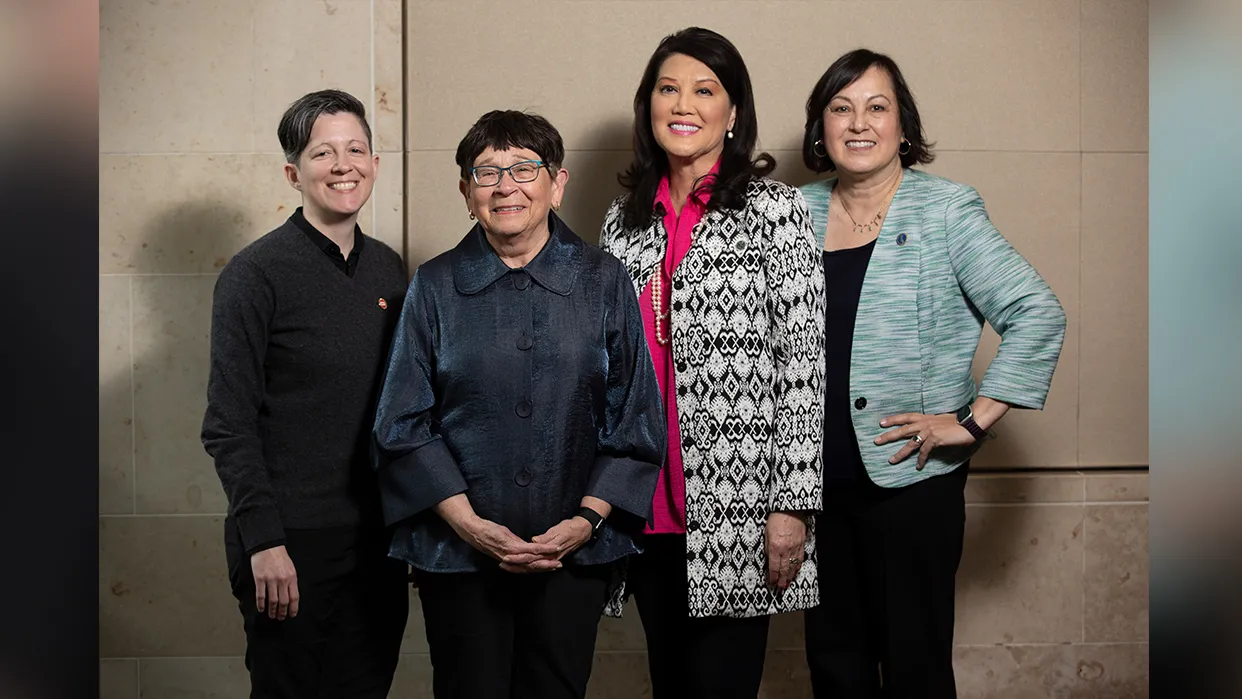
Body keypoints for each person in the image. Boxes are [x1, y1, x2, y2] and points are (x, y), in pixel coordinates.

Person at [796, 49, 1068, 698]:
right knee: (835, 669)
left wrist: (972, 421)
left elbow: (1037, 313)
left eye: (877, 107)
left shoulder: (946, 209)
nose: (858, 122)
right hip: (813, 487)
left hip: (912, 485)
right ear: (821, 129)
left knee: (914, 670)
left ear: (903, 126)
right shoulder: (790, 212)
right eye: (841, 107)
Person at [371, 110, 665, 699]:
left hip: (572, 558)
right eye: (487, 172)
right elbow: (401, 424)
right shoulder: (434, 285)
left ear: (557, 185)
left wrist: (584, 523)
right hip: (457, 557)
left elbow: (633, 417)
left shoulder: (604, 280)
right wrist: (469, 525)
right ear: (466, 192)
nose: (506, 186)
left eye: (525, 169)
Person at [598, 27, 827, 699]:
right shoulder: (622, 221)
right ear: (647, 105)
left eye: (704, 90)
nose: (683, 104)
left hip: (738, 503)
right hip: (640, 501)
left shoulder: (775, 211)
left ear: (733, 113)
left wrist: (792, 506)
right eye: (668, 88)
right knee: (668, 682)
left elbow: (803, 366)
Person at [201, 89, 409, 698]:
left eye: (356, 150)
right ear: (294, 173)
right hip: (289, 541)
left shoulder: (390, 269)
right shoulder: (254, 274)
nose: (343, 165)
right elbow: (228, 424)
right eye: (323, 153)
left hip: (376, 541)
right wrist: (264, 540)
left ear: (374, 164)